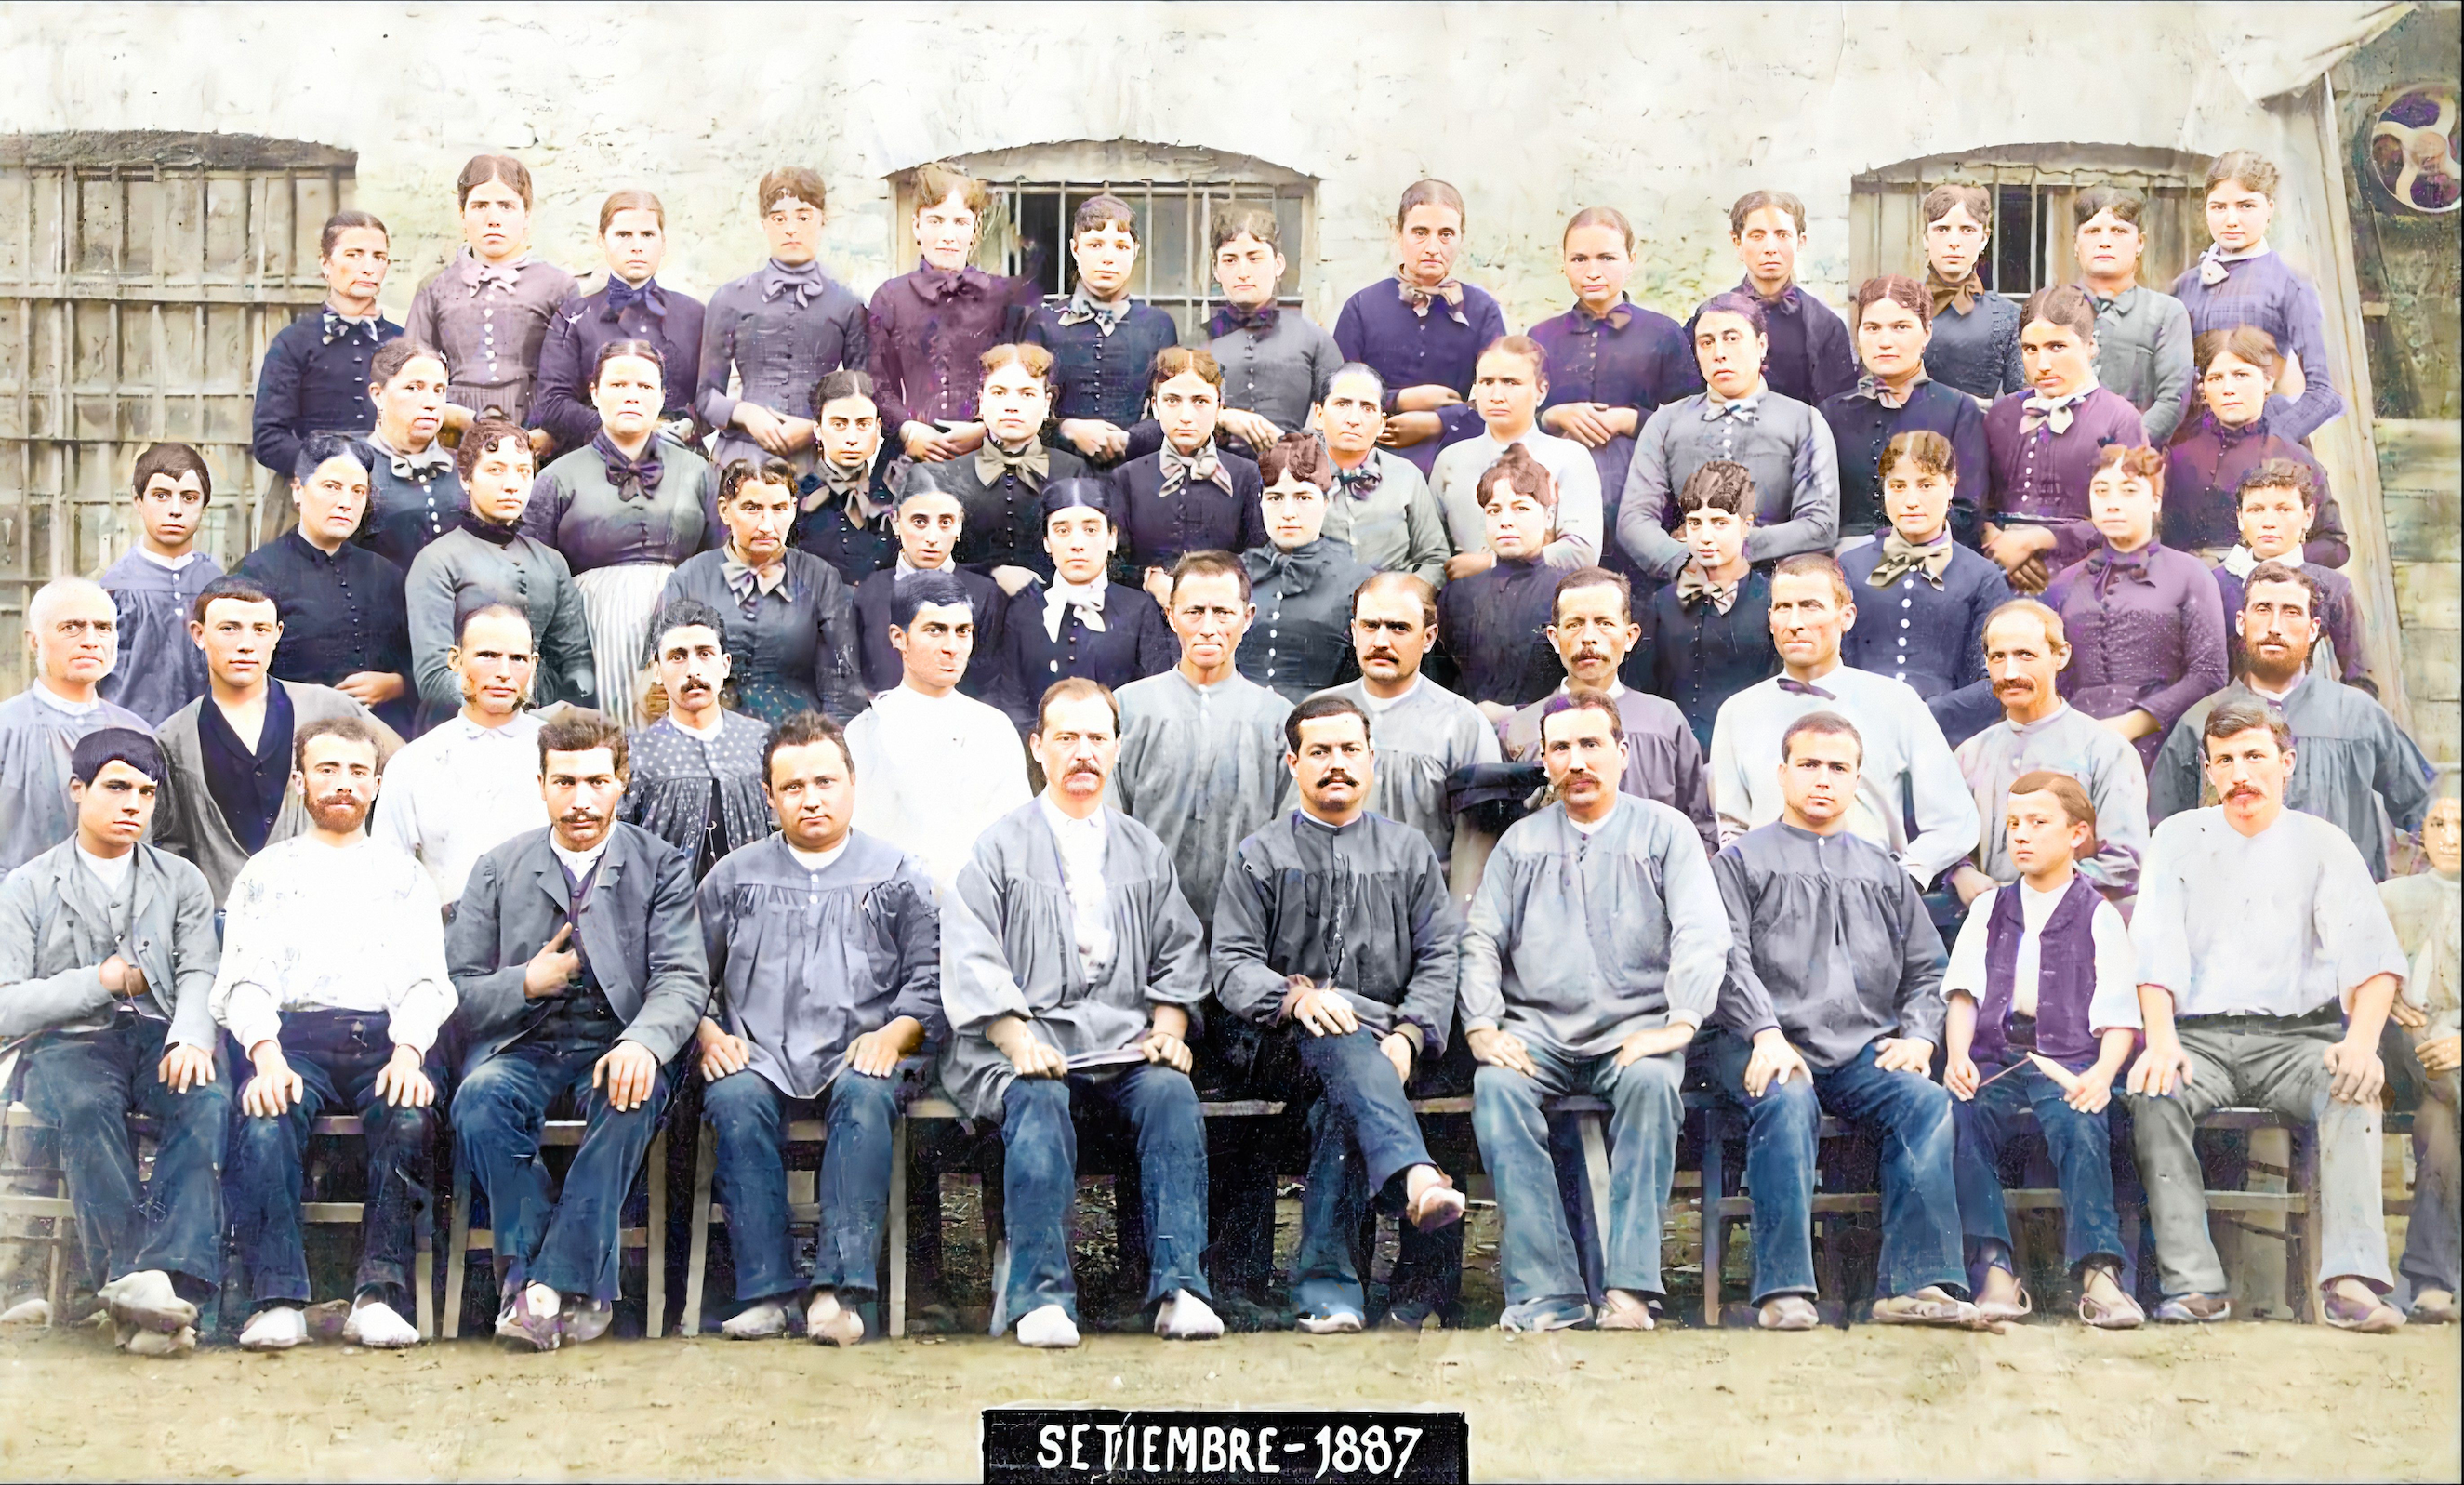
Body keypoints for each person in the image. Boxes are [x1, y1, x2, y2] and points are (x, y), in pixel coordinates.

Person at [938, 678, 1221, 1348]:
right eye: (1066, 737)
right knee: (1035, 1098)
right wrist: (1017, 1037)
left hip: (1122, 1040)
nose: (1082, 752)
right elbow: (971, 954)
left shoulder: (1142, 849)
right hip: (1023, 1043)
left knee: (1170, 1093)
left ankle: (1180, 1286)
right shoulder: (998, 848)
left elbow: (1179, 950)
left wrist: (1170, 1031)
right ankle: (1041, 1297)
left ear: (1117, 749)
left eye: (1097, 737)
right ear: (1038, 747)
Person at [2125, 697, 2406, 1331]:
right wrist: (2161, 1038)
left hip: (2297, 1039)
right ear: (2208, 769)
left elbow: (2373, 958)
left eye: (2255, 756)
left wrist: (2361, 1041)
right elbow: (2155, 951)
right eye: (2225, 760)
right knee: (2154, 1089)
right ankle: (2195, 1283)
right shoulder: (2176, 838)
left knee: (2354, 1086)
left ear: (2287, 763)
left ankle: (2350, 1280)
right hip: (2202, 1039)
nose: (2241, 773)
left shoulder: (2322, 843)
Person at [1463, 695, 1730, 1331]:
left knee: (1651, 1082)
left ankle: (1630, 1288)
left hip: (1635, 1031)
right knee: (1497, 1088)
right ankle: (1547, 1291)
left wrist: (1679, 1021)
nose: (1577, 761)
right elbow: (1480, 939)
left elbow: (1702, 931)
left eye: (1591, 745)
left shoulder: (1667, 832)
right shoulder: (1521, 844)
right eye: (1561, 748)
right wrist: (1481, 1025)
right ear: (1544, 759)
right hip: (1538, 1033)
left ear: (1622, 753)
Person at [447, 709, 709, 1351]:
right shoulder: (497, 867)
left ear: (622, 780)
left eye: (596, 780)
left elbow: (682, 978)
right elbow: (455, 991)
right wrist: (525, 983)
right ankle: (564, 1285)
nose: (581, 799)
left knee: (631, 1092)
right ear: (540, 784)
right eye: (564, 782)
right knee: (479, 1099)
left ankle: (535, 1288)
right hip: (523, 1044)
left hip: (616, 1040)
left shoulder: (661, 866)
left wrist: (642, 1043)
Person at [1211, 696, 1470, 1333]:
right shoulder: (1260, 855)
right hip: (1279, 1049)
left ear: (1371, 761)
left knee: (1343, 1102)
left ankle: (1330, 1295)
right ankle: (1414, 1178)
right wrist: (1296, 997)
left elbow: (1441, 956)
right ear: (1293, 762)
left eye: (1350, 750)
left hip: (1385, 1055)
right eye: (1320, 752)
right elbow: (1232, 962)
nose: (1337, 765)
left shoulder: (1408, 853)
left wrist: (1410, 1035)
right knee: (1339, 1035)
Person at [1709, 711, 1974, 1329]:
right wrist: (1765, 1033)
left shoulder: (1885, 870)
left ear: (1858, 779)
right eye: (1808, 764)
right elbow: (1724, 957)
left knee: (1923, 1102)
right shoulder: (1742, 861)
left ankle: (1915, 1284)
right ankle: (1784, 1290)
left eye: (1838, 767)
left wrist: (1918, 1036)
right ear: (1781, 773)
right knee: (1786, 1097)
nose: (1822, 779)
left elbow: (1927, 970)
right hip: (1762, 1043)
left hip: (1860, 1049)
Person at [695, 711, 941, 1344]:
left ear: (853, 784)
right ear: (769, 795)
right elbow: (685, 974)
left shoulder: (897, 874)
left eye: (826, 781)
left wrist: (896, 1033)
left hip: (863, 1052)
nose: (812, 798)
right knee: (732, 1096)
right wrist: (707, 1032)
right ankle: (767, 1291)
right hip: (761, 1053)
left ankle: (839, 1290)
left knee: (863, 1097)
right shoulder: (734, 877)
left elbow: (930, 977)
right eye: (794, 786)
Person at [215, 716, 450, 1352]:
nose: (342, 784)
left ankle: (378, 1293)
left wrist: (408, 1053)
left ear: (375, 785)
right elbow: (247, 978)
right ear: (299, 782)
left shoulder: (404, 875)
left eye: (356, 772)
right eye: (327, 770)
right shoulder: (266, 873)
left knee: (407, 1115)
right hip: (295, 1038)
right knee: (266, 1117)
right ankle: (279, 1296)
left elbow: (427, 980)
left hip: (384, 1035)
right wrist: (265, 1056)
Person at [0, 729, 226, 1356]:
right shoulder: (29, 885)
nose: (133, 803)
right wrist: (97, 980)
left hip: (157, 1034)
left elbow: (199, 970)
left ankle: (164, 1281)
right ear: (79, 789)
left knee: (203, 1098)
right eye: (117, 786)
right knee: (86, 1107)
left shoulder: (181, 881)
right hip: (66, 1042)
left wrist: (189, 1037)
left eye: (146, 791)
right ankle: (137, 1286)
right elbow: (7, 999)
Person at [1940, 772, 2144, 1327]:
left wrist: (2102, 1074)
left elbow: (2119, 1012)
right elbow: (1963, 992)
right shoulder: (1990, 908)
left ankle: (2099, 1275)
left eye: (2038, 823)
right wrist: (1959, 1055)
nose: (2021, 836)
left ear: (2078, 834)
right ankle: (1994, 1269)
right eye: (2012, 825)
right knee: (1963, 1115)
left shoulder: (2097, 913)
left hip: (2069, 1057)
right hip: (1999, 1056)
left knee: (2081, 1120)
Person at [2149, 563, 2431, 882]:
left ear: (2313, 629)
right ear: (2241, 623)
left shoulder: (2358, 717)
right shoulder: (2199, 722)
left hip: (2340, 913)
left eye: (2291, 612)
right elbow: (2163, 834)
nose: (2275, 626)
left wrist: (2412, 894)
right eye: (2263, 609)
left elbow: (2426, 809)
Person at [1707, 554, 1979, 885]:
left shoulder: (1896, 703)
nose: (1794, 622)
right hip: (1770, 899)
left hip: (1868, 896)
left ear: (1846, 616)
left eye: (1810, 606)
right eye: (1782, 608)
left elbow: (1955, 819)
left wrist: (1904, 879)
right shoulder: (1738, 712)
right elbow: (1733, 827)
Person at [153, 576, 401, 907]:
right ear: (199, 634)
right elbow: (167, 850)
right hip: (223, 926)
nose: (246, 644)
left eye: (260, 629)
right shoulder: (172, 740)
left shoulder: (326, 707)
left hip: (323, 910)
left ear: (278, 634)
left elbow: (407, 769)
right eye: (229, 628)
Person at [523, 340, 723, 725]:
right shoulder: (556, 477)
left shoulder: (698, 471)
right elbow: (536, 577)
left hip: (679, 625)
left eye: (645, 387)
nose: (632, 396)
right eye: (617, 385)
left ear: (663, 396)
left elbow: (717, 560)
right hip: (590, 633)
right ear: (595, 394)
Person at [1109, 551, 1293, 935]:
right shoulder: (1128, 707)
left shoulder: (1278, 718)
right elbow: (1108, 823)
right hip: (1146, 920)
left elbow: (1288, 835)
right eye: (1194, 612)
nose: (1208, 627)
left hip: (1248, 924)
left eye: (1223, 613)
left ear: (1248, 617)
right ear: (1171, 616)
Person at [1618, 290, 1840, 582]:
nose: (1719, 353)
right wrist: (1681, 560)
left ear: (1761, 345)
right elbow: (1633, 520)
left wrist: (1737, 549)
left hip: (1773, 582)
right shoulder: (1667, 421)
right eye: (1706, 343)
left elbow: (1820, 523)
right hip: (1687, 579)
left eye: (1732, 338)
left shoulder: (1803, 420)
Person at [2039, 444, 2228, 772]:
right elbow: (2053, 675)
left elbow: (2209, 674)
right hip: (2075, 746)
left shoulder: (2190, 575)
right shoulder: (2064, 584)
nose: (2112, 503)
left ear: (2155, 501)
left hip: (2164, 745)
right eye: (2101, 491)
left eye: (2128, 491)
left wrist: (2132, 724)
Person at [843, 571, 1031, 896]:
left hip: (978, 910)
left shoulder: (993, 728)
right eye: (935, 631)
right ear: (898, 637)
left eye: (963, 631)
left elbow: (1017, 839)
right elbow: (860, 841)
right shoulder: (867, 730)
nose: (952, 647)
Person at [1313, 571, 1501, 895]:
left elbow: (1475, 851)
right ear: (1354, 632)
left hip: (1421, 917)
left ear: (1428, 638)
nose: (1381, 641)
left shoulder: (1463, 726)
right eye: (1371, 626)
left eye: (1399, 628)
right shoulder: (1315, 715)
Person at [1949, 600, 2151, 901]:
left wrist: (2024, 896)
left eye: (2025, 655)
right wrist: (1960, 871)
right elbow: (1949, 842)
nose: (2009, 672)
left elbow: (2125, 866)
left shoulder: (2106, 751)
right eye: (1998, 657)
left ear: (2060, 655)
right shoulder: (1969, 755)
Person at [1502, 567, 1716, 852]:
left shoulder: (1664, 722)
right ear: (1554, 637)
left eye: (1604, 623)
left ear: (1630, 636)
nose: (1589, 637)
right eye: (1575, 624)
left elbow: (1698, 826)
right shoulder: (1522, 729)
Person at [404, 418, 595, 727]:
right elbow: (433, 676)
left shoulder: (551, 562)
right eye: (495, 470)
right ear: (466, 478)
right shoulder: (437, 560)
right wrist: (509, 706)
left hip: (543, 722)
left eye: (523, 471)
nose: (512, 484)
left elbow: (576, 659)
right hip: (460, 722)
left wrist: (571, 704)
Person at [1837, 431, 2013, 747]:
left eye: (1926, 485)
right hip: (1857, 734)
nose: (1911, 501)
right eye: (1898, 486)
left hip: (1945, 739)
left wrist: (1926, 713)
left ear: (1951, 485)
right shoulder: (1850, 568)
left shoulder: (1982, 577)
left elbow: (1994, 680)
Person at [1530, 206, 1701, 530]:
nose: (1593, 271)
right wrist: (1552, 417)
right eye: (1579, 259)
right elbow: (1515, 422)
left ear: (1631, 261)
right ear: (1563, 264)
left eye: (1607, 258)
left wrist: (1630, 419)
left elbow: (1691, 423)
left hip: (1639, 495)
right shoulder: (1540, 337)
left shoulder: (1663, 333)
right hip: (1554, 499)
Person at [657, 457, 863, 725]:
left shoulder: (819, 578)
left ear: (793, 508)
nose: (767, 525)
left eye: (778, 508)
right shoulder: (689, 579)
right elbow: (672, 677)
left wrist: (828, 744)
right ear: (725, 510)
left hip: (798, 739)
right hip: (714, 737)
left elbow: (843, 685)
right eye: (752, 508)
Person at [232, 434, 415, 736]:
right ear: (298, 490)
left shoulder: (388, 576)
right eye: (331, 487)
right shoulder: (257, 573)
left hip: (382, 742)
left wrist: (396, 685)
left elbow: (421, 664)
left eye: (358, 491)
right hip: (290, 739)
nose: (346, 503)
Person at [374, 603, 550, 909]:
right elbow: (387, 879)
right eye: (488, 656)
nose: (504, 673)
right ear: (455, 659)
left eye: (518, 659)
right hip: (447, 943)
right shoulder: (415, 762)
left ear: (533, 664)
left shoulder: (562, 754)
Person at [1331, 180, 1507, 476]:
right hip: (1373, 463)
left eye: (1446, 234)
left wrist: (1437, 421)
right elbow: (1337, 393)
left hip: (1460, 463)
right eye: (1420, 233)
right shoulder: (1362, 308)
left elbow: (1503, 395)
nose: (1433, 248)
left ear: (1461, 238)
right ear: (1398, 234)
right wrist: (1401, 400)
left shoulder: (1481, 310)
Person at [696, 168, 867, 472]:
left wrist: (816, 428)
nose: (791, 228)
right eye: (779, 218)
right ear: (763, 225)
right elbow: (706, 397)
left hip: (820, 462)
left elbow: (864, 397)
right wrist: (745, 412)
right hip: (743, 456)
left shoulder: (848, 304)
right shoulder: (729, 298)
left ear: (822, 219)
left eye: (803, 216)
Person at [867, 161, 1038, 464]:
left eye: (960, 222)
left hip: (987, 456)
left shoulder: (1002, 299)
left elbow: (1027, 380)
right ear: (916, 226)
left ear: (976, 228)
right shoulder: (890, 297)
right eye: (935, 221)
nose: (948, 235)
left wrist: (986, 430)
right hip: (909, 456)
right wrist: (907, 430)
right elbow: (876, 382)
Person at [2169, 150, 2344, 444]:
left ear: (2269, 208)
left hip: (2266, 448)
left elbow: (2325, 394)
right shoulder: (2184, 287)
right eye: (2219, 207)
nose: (2231, 219)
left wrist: (2267, 439)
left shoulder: (2289, 285)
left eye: (2246, 205)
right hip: (2196, 446)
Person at [1980, 285, 2148, 591]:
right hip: (1997, 571)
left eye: (2057, 346)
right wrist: (1995, 542)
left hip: (2087, 576)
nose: (2043, 364)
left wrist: (2042, 540)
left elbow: (2134, 515)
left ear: (2090, 346)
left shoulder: (2120, 418)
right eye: (2030, 349)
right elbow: (1973, 501)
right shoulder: (2001, 415)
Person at [249, 209, 402, 535]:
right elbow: (268, 438)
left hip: (392, 498)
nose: (368, 267)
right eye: (354, 254)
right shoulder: (293, 342)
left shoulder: (404, 342)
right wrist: (328, 471)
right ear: (325, 264)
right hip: (311, 497)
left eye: (379, 257)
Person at [983, 480, 1176, 730]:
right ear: (1046, 542)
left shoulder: (1139, 610)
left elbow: (1152, 701)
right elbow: (1011, 702)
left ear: (1112, 539)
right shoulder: (1023, 611)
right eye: (1062, 531)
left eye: (1091, 530)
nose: (1077, 544)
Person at [404, 153, 576, 431]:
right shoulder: (435, 287)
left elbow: (573, 375)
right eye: (480, 205)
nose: (493, 219)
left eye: (506, 206)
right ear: (462, 214)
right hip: (453, 430)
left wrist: (549, 434)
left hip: (535, 428)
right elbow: (412, 373)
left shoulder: (558, 285)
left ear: (526, 216)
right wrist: (450, 418)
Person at [534, 190, 706, 461]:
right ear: (601, 240)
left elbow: (710, 396)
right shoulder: (573, 316)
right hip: (595, 459)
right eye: (623, 235)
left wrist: (686, 426)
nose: (636, 246)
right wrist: (618, 431)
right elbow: (553, 403)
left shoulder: (694, 314)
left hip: (678, 459)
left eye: (647, 235)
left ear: (663, 242)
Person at [1818, 275, 1988, 546]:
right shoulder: (1830, 413)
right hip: (1842, 565)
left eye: (1900, 327)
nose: (1885, 341)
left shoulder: (1959, 411)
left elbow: (1969, 511)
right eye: (1872, 328)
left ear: (1927, 332)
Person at [2163, 328, 2350, 569]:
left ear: (2267, 380)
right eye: (2216, 378)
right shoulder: (2179, 450)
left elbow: (2335, 546)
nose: (2228, 388)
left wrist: (2269, 559)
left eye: (2241, 375)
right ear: (2204, 388)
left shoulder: (2291, 456)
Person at [0, 579, 152, 873]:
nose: (91, 641)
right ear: (35, 641)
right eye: (71, 627)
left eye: (104, 628)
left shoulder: (139, 733)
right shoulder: (6, 729)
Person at [619, 599, 777, 882]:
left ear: (725, 664)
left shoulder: (760, 742)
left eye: (704, 654)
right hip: (670, 915)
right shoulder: (637, 752)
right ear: (657, 670)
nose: (693, 670)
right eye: (677, 656)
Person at [1633, 462, 1778, 751]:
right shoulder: (1661, 603)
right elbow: (1645, 690)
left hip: (1749, 749)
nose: (1705, 537)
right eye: (1695, 523)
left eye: (1720, 523)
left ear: (1746, 526)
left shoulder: (1771, 600)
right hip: (1673, 754)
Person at [1430, 336, 1604, 576]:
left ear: (1541, 390)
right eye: (1487, 381)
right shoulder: (1451, 460)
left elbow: (1583, 552)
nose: (1496, 395)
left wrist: (1492, 564)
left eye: (1510, 382)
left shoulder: (1569, 457)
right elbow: (1432, 550)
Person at [1027, 194, 1182, 464]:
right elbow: (1020, 405)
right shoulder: (1042, 322)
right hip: (1058, 468)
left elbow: (1176, 406)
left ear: (1135, 251)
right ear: (1075, 249)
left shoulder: (1158, 324)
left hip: (1136, 467)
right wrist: (1067, 429)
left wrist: (1130, 439)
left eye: (1121, 247)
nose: (1108, 258)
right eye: (1095, 245)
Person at [2383, 789, 2459, 1324]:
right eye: (2439, 823)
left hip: (2448, 1079)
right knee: (2439, 1068)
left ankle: (2432, 1280)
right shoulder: (2390, 897)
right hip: (2408, 1051)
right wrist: (2379, 991)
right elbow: (2352, 973)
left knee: (2441, 1126)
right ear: (2421, 835)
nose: (2451, 837)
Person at [1108, 348, 1265, 603]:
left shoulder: (1245, 475)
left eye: (1200, 401)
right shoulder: (1127, 479)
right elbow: (1113, 563)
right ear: (1155, 407)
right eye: (1172, 400)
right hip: (1146, 615)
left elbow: (1259, 555)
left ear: (1218, 409)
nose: (1185, 416)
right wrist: (1147, 579)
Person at [2209, 459, 2367, 691]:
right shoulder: (2213, 584)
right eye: (2256, 510)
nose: (2269, 523)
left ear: (2308, 516)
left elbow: (2362, 679)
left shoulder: (2334, 588)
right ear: (2241, 518)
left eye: (2284, 509)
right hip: (2231, 717)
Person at [1239, 433, 1375, 701]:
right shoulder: (1234, 573)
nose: (1288, 512)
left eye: (1303, 498)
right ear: (1261, 503)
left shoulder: (1358, 581)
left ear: (1325, 504)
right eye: (1276, 498)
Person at [940, 344, 1091, 586]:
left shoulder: (1074, 471)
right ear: (981, 401)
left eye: (1027, 394)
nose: (1012, 406)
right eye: (999, 393)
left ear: (1046, 403)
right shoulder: (949, 474)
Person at [1192, 206, 1341, 452]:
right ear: (1216, 269)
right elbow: (1169, 419)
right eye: (1230, 260)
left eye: (1254, 258)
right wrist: (1221, 418)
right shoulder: (1194, 345)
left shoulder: (1314, 341)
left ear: (1278, 264)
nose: (1242, 273)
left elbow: (1338, 423)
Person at [1436, 445, 1566, 716]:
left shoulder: (1565, 593)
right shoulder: (1458, 594)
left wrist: (1514, 714)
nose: (1505, 521)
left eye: (1521, 508)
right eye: (1494, 511)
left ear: (1549, 516)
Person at [849, 477, 1007, 699]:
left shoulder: (985, 594)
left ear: (959, 525)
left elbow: (991, 685)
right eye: (919, 522)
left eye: (945, 522)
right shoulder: (870, 591)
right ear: (895, 522)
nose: (932, 538)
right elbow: (855, 675)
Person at [98, 443, 223, 725]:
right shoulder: (113, 589)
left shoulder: (219, 586)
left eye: (189, 497)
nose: (175, 510)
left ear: (204, 504)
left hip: (206, 741)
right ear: (138, 500)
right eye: (161, 495)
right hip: (130, 736)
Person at [2072, 186, 2194, 444]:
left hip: (2132, 466)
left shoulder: (2166, 313)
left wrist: (2120, 450)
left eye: (2120, 231)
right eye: (2093, 231)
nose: (2105, 241)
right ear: (2075, 243)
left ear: (2140, 243)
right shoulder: (2051, 308)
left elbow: (2172, 400)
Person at [1716, 190, 1857, 406]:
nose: (1770, 248)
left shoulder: (1824, 325)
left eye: (1782, 235)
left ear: (1800, 242)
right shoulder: (1713, 317)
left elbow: (1836, 412)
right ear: (1737, 242)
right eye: (1757, 235)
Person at [1316, 364, 1450, 587]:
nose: (1353, 419)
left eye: (1367, 408)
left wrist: (1400, 594)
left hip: (1389, 610)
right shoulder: (1296, 475)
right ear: (1319, 415)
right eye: (1342, 404)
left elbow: (1434, 559)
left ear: (1382, 423)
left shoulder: (1407, 476)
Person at [351, 339, 465, 573]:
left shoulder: (466, 468)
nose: (431, 403)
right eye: (413, 388)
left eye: (439, 390)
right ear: (378, 395)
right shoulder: (353, 469)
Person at [791, 368, 910, 589]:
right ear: (818, 429)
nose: (852, 438)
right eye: (839, 424)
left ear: (877, 427)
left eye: (863, 424)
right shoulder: (795, 498)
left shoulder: (896, 492)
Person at [1915, 184, 2024, 401]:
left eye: (1967, 230)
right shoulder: (1900, 307)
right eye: (1942, 229)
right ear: (1925, 237)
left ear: (1984, 238)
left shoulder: (2008, 316)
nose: (1954, 243)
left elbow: (2021, 402)